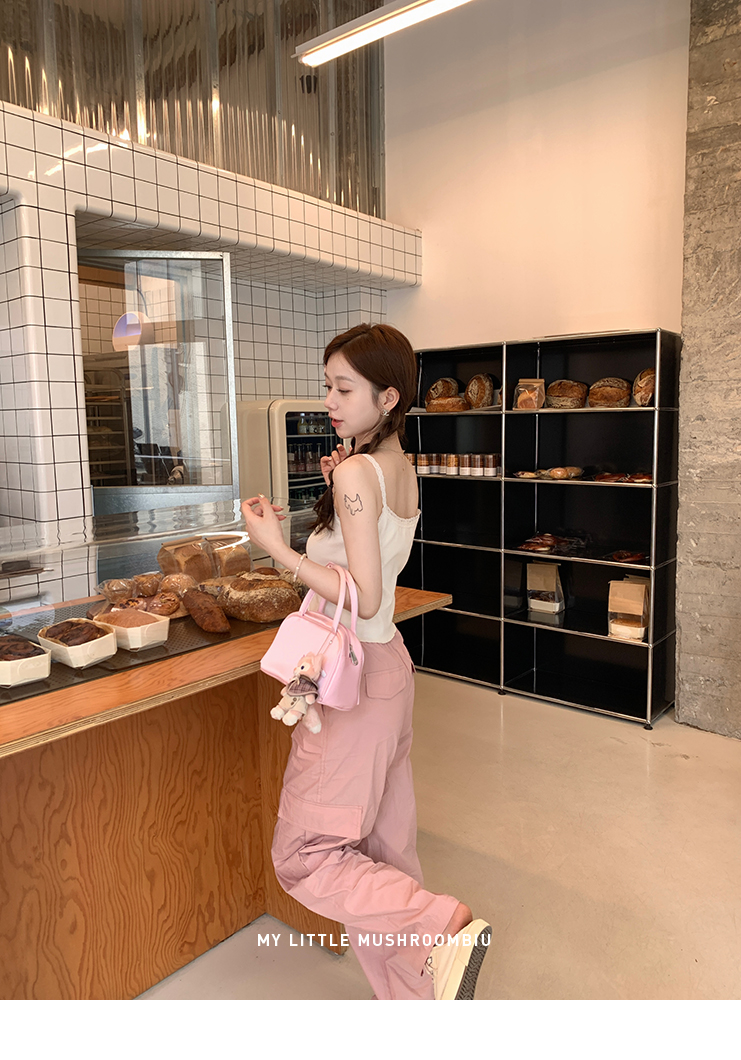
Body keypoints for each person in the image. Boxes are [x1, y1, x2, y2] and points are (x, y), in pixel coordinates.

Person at [241, 323, 491, 1001]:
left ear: (388, 396)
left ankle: (438, 925)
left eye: (344, 388)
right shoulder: (395, 467)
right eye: (328, 385)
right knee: (385, 854)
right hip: (386, 669)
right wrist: (340, 484)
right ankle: (417, 1004)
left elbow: (366, 592)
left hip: (347, 679)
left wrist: (277, 548)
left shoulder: (358, 472)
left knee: (306, 857)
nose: (329, 399)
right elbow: (375, 551)